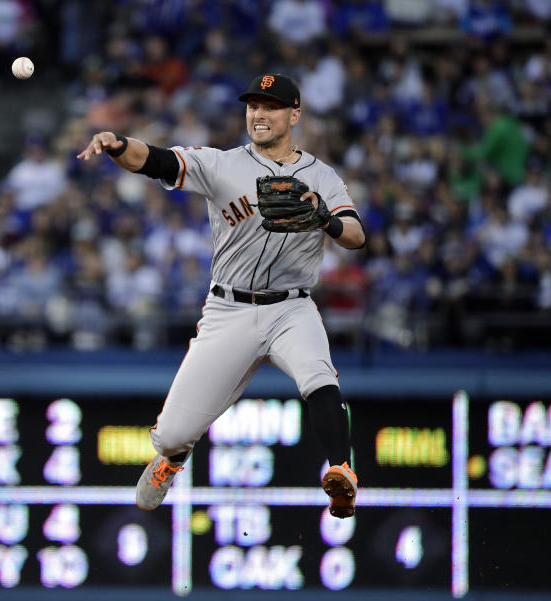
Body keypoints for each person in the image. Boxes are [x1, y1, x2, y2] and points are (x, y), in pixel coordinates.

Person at [77, 73, 365, 518]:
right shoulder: (222, 164)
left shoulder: (321, 176)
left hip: (292, 307)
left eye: (270, 106)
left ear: (294, 114)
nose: (259, 114)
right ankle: (171, 460)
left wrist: (324, 220)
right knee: (172, 434)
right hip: (230, 308)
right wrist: (117, 143)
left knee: (318, 376)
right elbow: (157, 161)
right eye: (253, 106)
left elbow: (356, 235)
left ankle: (342, 471)